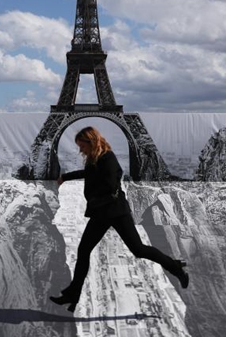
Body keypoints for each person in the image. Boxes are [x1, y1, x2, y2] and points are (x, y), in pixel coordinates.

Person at [49, 126, 189, 313]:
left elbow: (111, 182)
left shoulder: (108, 158)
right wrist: (66, 177)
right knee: (83, 252)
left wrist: (93, 195)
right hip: (102, 212)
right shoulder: (95, 157)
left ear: (91, 142)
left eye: (82, 146)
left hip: (115, 212)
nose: (80, 150)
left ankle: (176, 267)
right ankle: (73, 294)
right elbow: (90, 174)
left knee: (138, 249)